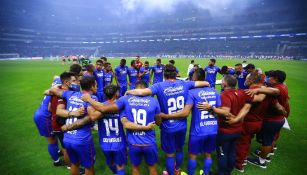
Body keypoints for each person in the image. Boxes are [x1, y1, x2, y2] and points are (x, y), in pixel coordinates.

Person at [125, 64, 210, 175]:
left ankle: (170, 173)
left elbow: (142, 92)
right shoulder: (184, 83)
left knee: (170, 154)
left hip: (168, 126)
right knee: (179, 149)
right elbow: (206, 83)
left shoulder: (159, 86)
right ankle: (177, 170)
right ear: (175, 74)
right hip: (182, 125)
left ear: (164, 74)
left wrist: (129, 92)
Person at [80, 81, 160, 175]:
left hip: (128, 143)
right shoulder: (153, 101)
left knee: (134, 168)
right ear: (146, 90)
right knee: (152, 168)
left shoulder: (125, 100)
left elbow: (98, 113)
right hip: (147, 142)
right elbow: (158, 122)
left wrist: (89, 100)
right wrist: (147, 127)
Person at [159, 69, 223, 175]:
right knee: (208, 155)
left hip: (198, 130)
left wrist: (166, 116)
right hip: (213, 129)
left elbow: (185, 113)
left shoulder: (192, 93)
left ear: (196, 78)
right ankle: (206, 173)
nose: (191, 77)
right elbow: (219, 111)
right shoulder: (215, 92)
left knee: (192, 155)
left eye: (193, 76)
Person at [198, 75, 264, 175]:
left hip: (225, 131)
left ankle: (221, 173)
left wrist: (210, 108)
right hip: (238, 129)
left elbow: (225, 112)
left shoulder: (225, 95)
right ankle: (228, 172)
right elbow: (259, 99)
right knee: (232, 151)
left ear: (224, 84)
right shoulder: (242, 92)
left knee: (222, 154)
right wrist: (264, 88)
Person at [222, 72, 286, 172]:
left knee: (242, 143)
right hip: (259, 122)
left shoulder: (250, 91)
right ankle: (247, 157)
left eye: (247, 79)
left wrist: (235, 118)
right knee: (248, 141)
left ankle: (240, 164)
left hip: (248, 122)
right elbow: (277, 105)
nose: (245, 81)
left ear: (251, 81)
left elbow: (246, 106)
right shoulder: (267, 91)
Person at [61, 85, 127, 175]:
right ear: (116, 94)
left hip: (105, 143)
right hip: (119, 142)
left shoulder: (98, 107)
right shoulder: (120, 106)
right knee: (120, 166)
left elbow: (92, 116)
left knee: (110, 163)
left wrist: (68, 127)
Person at [48, 76, 100, 175]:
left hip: (67, 137)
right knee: (88, 166)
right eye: (96, 85)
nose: (97, 87)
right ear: (92, 87)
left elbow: (53, 90)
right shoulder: (92, 98)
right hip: (82, 139)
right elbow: (93, 116)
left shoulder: (70, 94)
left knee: (74, 164)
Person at [245, 70, 290, 168]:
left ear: (276, 79)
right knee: (272, 138)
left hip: (272, 120)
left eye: (270, 77)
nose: (268, 79)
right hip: (279, 119)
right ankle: (267, 153)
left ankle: (262, 161)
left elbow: (273, 91)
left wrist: (257, 89)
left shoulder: (278, 89)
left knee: (267, 141)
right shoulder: (283, 86)